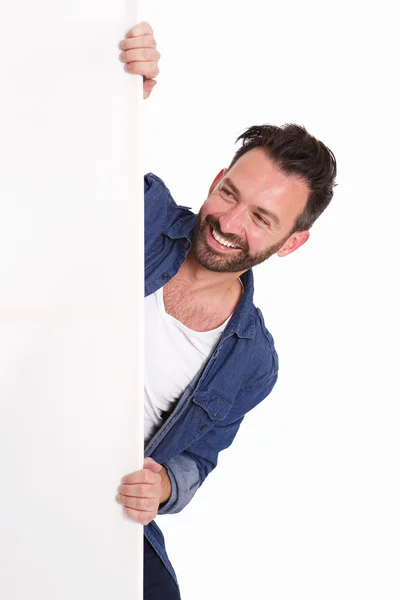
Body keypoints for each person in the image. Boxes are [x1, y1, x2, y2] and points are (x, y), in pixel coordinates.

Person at [115, 22, 337, 600]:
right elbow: (64, 166)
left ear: (291, 243)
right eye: (231, 194)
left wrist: (163, 485)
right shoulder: (141, 211)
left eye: (262, 218)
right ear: (217, 180)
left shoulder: (254, 362)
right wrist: (112, 100)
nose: (230, 223)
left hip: (98, 500)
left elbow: (196, 459)